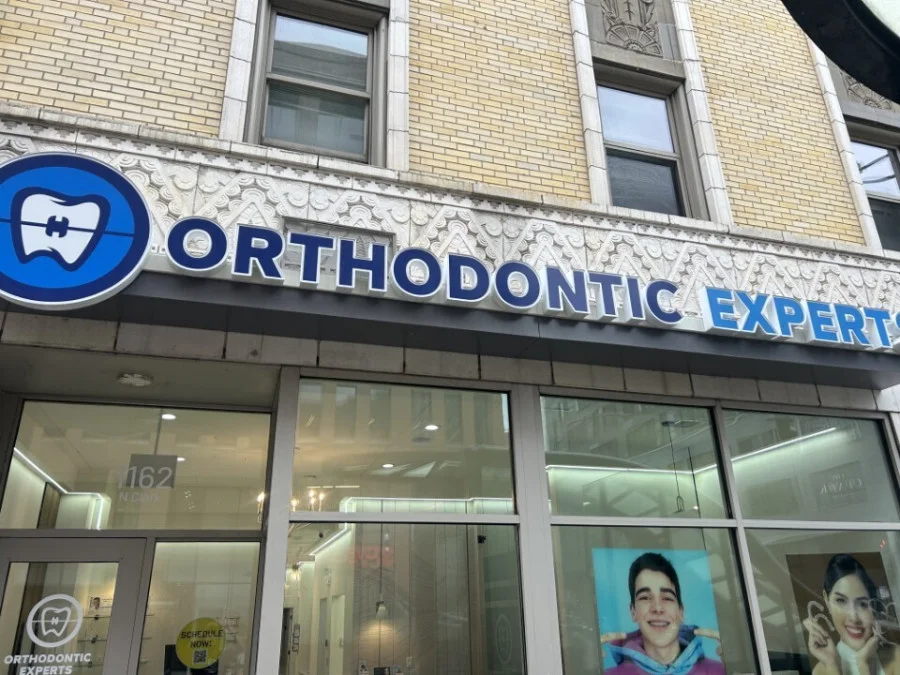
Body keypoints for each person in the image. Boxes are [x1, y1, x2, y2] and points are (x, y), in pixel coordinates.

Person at [602, 552, 725, 675]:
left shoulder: (723, 670)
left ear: (680, 611)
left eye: (667, 598)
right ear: (633, 611)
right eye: (645, 597)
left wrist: (733, 667)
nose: (657, 608)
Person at [803, 554, 900, 675]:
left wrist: (863, 664)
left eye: (863, 604)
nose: (854, 618)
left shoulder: (896, 657)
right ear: (827, 600)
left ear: (873, 607)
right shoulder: (821, 671)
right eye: (841, 601)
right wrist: (832, 665)